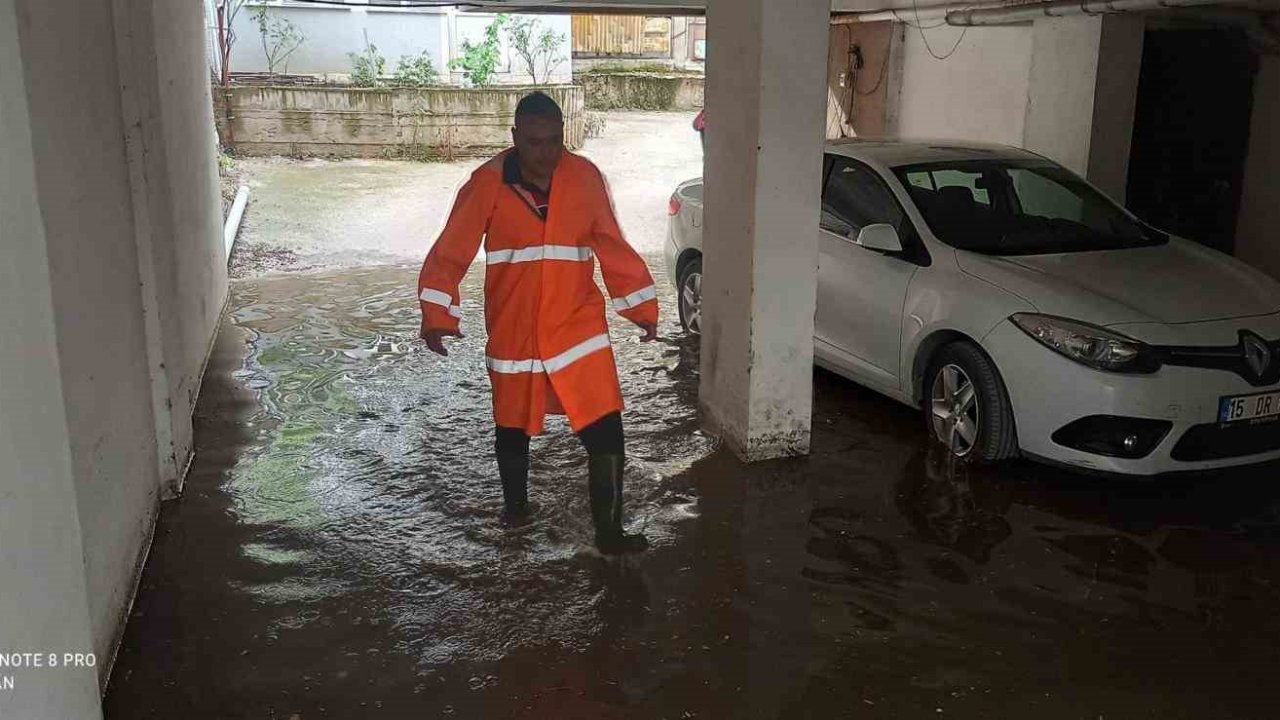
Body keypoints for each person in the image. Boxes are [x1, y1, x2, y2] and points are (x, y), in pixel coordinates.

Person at [417, 91, 658, 555]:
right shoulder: (485, 184)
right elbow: (451, 251)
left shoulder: (585, 178)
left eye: (553, 142)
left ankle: (609, 534)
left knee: (606, 424)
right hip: (516, 328)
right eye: (533, 143)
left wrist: (642, 309)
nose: (544, 154)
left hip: (578, 329)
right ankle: (516, 510)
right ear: (514, 138)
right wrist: (436, 315)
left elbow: (612, 244)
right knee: (512, 425)